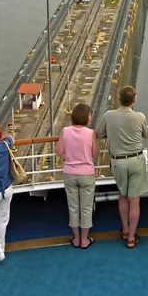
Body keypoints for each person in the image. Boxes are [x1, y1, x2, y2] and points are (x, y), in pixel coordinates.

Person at [97, 85, 148, 249]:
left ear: (119, 99)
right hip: (136, 160)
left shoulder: (108, 115)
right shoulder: (139, 116)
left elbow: (98, 133)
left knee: (123, 196)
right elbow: (146, 134)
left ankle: (125, 229)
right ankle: (132, 238)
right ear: (134, 101)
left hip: (118, 161)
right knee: (135, 200)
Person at [55, 103, 99, 249]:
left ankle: (76, 239)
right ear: (86, 117)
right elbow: (94, 153)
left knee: (73, 207)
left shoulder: (65, 131)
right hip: (86, 173)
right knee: (86, 208)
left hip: (69, 173)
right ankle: (85, 240)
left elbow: (58, 151)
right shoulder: (91, 133)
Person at [0, 123, 14, 262]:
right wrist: (4, 137)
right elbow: (10, 139)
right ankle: (0, 249)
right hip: (6, 189)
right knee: (2, 221)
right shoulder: (3, 146)